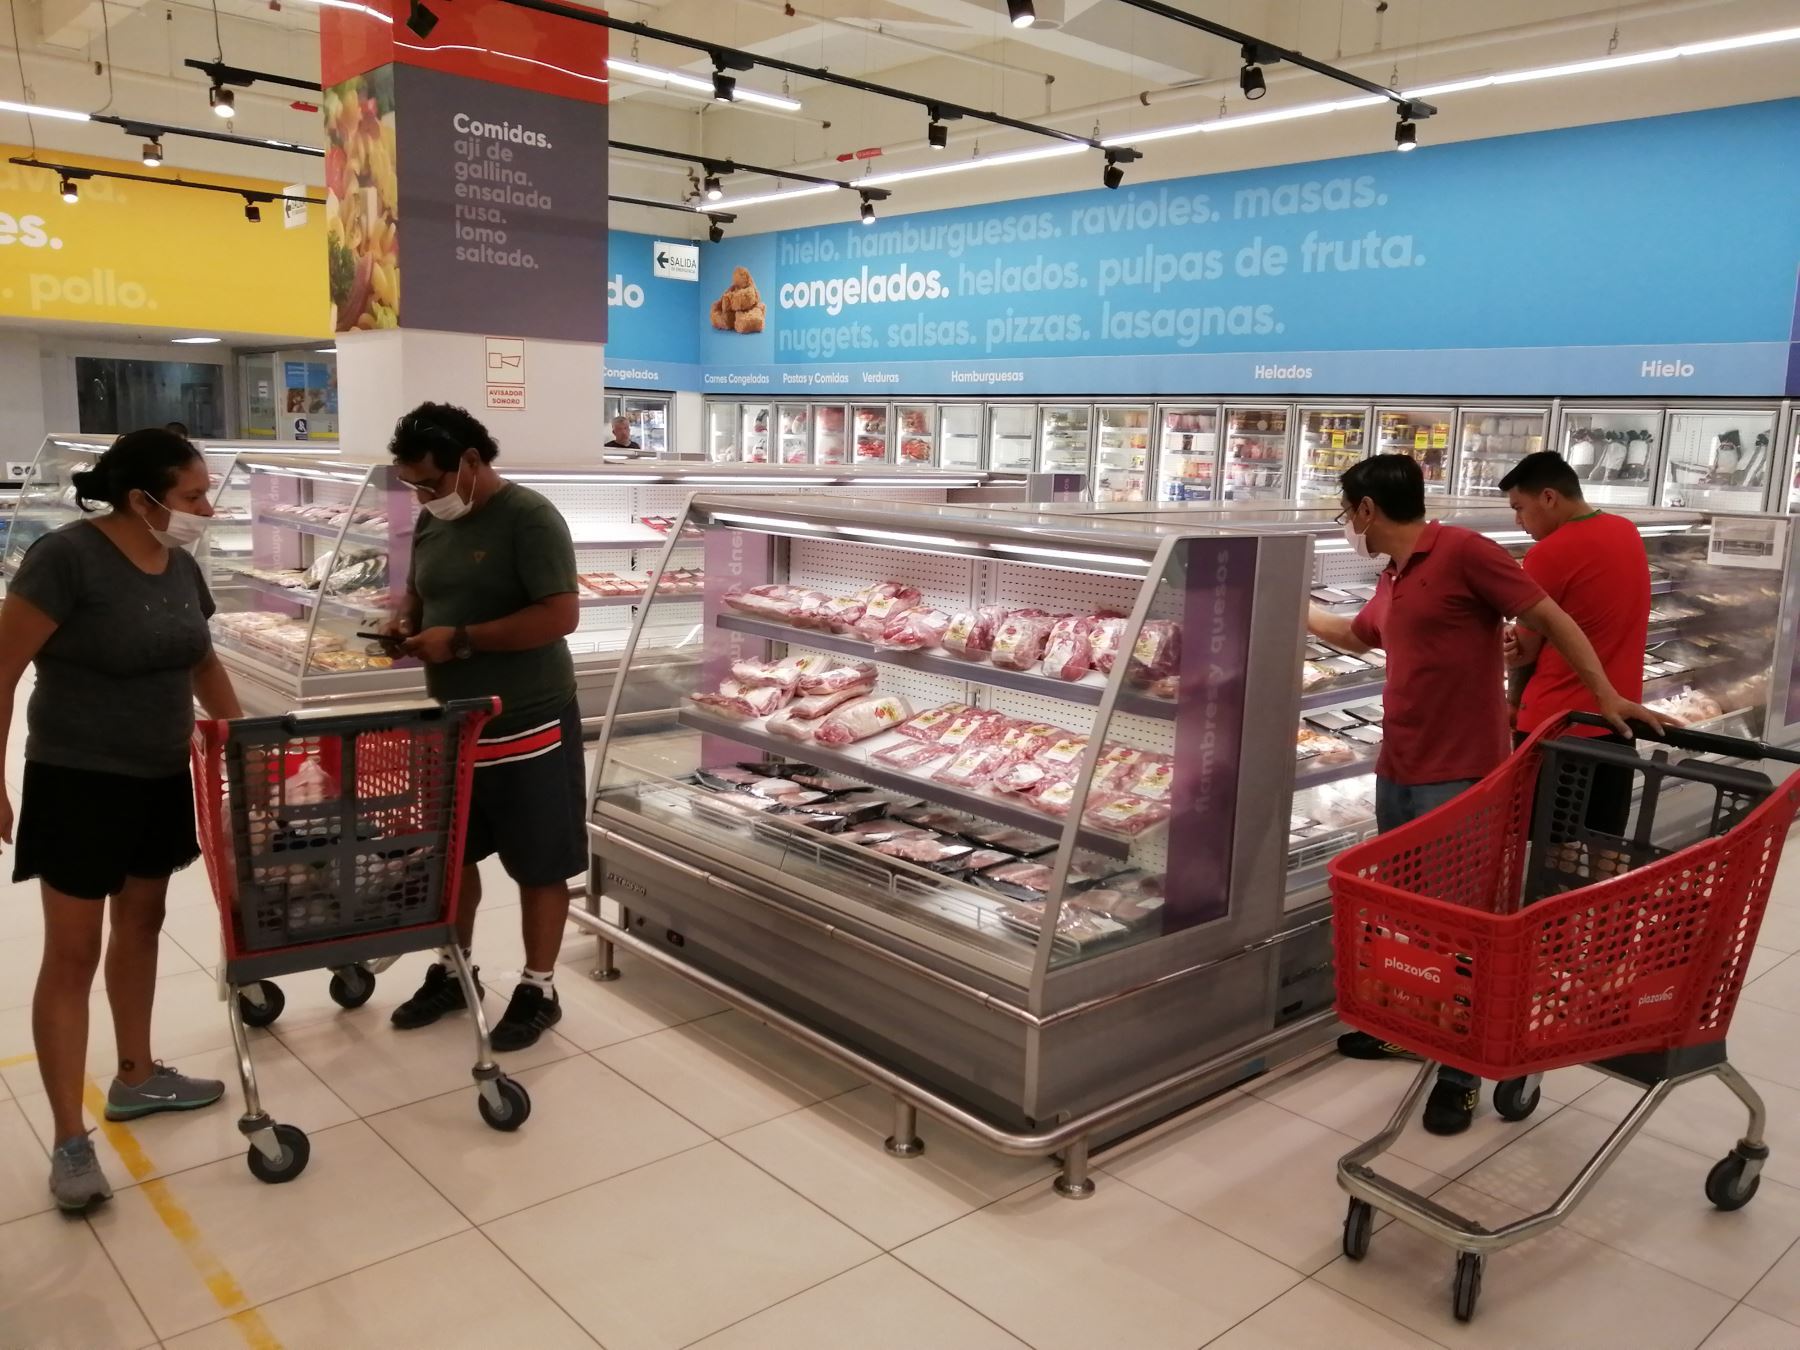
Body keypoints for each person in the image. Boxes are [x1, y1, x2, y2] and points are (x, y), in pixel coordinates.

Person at [1310, 454, 1664, 1135]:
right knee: (1409, 914)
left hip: (1459, 774)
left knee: (1461, 925)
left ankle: (1460, 1077)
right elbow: (1354, 636)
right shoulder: (1394, 574)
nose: (1347, 524)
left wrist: (1605, 694)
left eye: (1346, 513)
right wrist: (1279, 603)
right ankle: (1414, 1028)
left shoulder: (1464, 551)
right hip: (1399, 766)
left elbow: (1554, 619)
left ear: (1367, 510)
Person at [0, 428, 243, 1212]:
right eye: (193, 496)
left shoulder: (181, 565)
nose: (206, 510)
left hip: (161, 776)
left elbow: (201, 660)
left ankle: (136, 1077)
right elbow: (1, 670)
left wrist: (246, 746)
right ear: (141, 499)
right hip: (78, 781)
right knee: (72, 954)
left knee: (142, 925)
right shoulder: (66, 559)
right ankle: (69, 1140)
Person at [385, 403, 583, 1051]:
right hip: (454, 721)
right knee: (454, 854)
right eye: (413, 485)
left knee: (539, 859)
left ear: (470, 461)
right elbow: (421, 593)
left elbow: (560, 615)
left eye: (431, 482)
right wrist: (404, 623)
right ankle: (453, 968)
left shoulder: (530, 518)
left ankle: (538, 987)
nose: (424, 496)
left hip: (528, 719)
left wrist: (463, 640)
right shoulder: (432, 520)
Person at [1501, 450, 1652, 845]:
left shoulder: (1547, 553)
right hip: (1619, 717)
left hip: (1556, 725)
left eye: (1519, 508)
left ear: (1549, 497)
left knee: (1553, 848)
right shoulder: (1626, 531)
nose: (1517, 521)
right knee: (1606, 844)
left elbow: (1525, 651)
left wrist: (1511, 649)